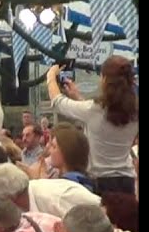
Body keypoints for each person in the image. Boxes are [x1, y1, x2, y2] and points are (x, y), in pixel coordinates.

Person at [48, 57, 139, 195]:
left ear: (105, 80)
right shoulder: (135, 112)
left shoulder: (93, 109)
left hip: (100, 182)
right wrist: (77, 96)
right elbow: (101, 118)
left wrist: (51, 75)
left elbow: (58, 102)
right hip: (127, 181)